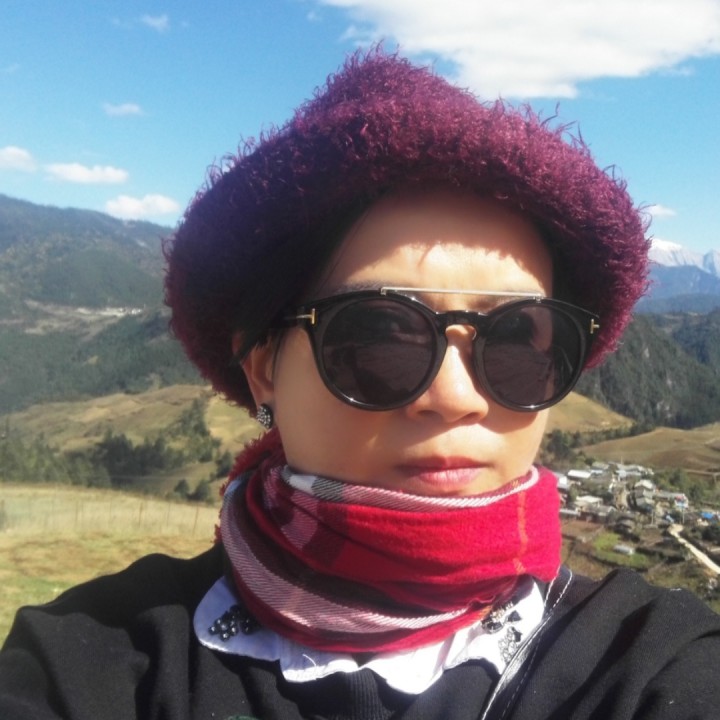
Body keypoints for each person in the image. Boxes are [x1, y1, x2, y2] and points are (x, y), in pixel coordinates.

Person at [1, 49, 719, 720]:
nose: (458, 397)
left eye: (519, 341)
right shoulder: (94, 659)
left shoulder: (656, 665)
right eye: (380, 335)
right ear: (263, 368)